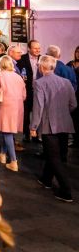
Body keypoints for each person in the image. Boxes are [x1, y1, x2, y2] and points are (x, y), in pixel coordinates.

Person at [31, 55, 77, 203]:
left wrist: (33, 126)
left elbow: (38, 107)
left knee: (54, 157)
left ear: (41, 67)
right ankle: (46, 179)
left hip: (49, 126)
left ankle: (66, 191)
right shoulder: (66, 82)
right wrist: (63, 114)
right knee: (57, 155)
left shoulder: (39, 83)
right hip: (64, 124)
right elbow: (73, 104)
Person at [0, 55, 26, 172]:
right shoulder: (18, 77)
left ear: (0, 64)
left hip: (5, 105)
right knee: (8, 130)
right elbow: (24, 95)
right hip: (18, 106)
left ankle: (13, 161)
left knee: (7, 132)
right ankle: (3, 154)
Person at [17, 40, 41, 142]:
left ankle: (36, 135)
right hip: (27, 90)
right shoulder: (22, 59)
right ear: (29, 49)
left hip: (39, 91)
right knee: (26, 113)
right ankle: (26, 134)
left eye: (39, 48)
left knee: (38, 113)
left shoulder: (42, 59)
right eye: (35, 48)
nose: (37, 50)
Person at [67, 46, 79, 147]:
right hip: (71, 95)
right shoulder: (70, 64)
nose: (78, 54)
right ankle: (75, 140)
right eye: (77, 52)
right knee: (73, 118)